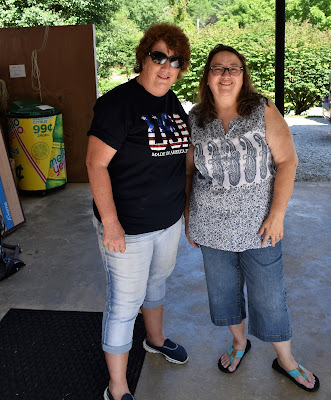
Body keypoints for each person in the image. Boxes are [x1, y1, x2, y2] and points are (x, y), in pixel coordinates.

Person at [185, 44, 319, 392]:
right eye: (218, 68)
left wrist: (277, 215)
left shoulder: (262, 109)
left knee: (269, 297)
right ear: (207, 77)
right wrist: (188, 216)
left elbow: (287, 161)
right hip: (210, 225)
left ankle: (285, 359)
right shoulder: (195, 119)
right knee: (223, 293)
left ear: (243, 75)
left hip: (259, 225)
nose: (226, 74)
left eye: (234, 68)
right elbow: (188, 173)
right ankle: (239, 342)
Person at [86, 23, 191, 400]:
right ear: (143, 58)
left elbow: (181, 162)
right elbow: (95, 164)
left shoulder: (172, 102)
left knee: (157, 283)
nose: (166, 67)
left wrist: (185, 214)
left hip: (167, 220)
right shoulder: (118, 104)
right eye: (159, 57)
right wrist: (111, 223)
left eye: (175, 61)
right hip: (127, 226)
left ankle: (155, 339)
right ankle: (117, 387)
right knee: (124, 303)